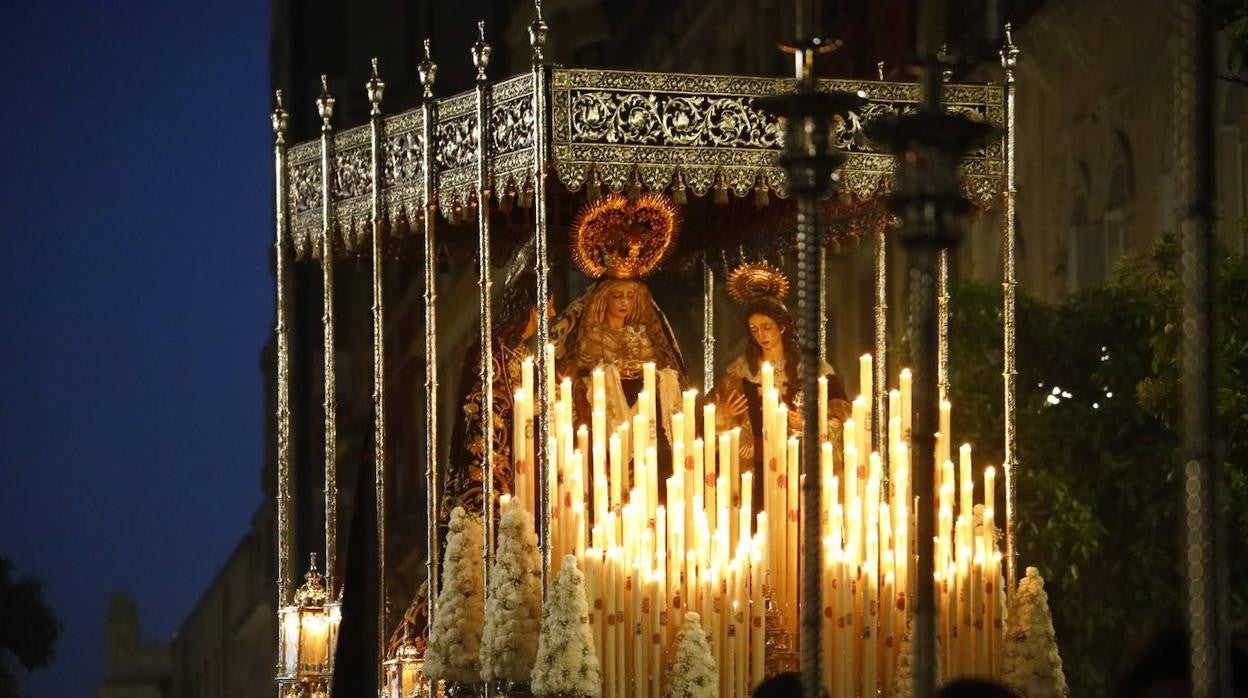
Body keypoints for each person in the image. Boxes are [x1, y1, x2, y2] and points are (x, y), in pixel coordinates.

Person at [711, 262, 851, 508]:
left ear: (782, 327)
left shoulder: (813, 370)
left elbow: (844, 415)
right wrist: (725, 416)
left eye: (767, 327)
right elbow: (709, 416)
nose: (761, 335)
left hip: (802, 466)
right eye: (754, 330)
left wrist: (812, 423)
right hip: (756, 470)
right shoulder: (739, 373)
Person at [443, 271, 550, 520]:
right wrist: (528, 407)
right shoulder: (491, 353)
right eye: (548, 307)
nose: (552, 315)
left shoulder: (523, 353)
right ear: (532, 309)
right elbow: (486, 407)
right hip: (496, 464)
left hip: (525, 460)